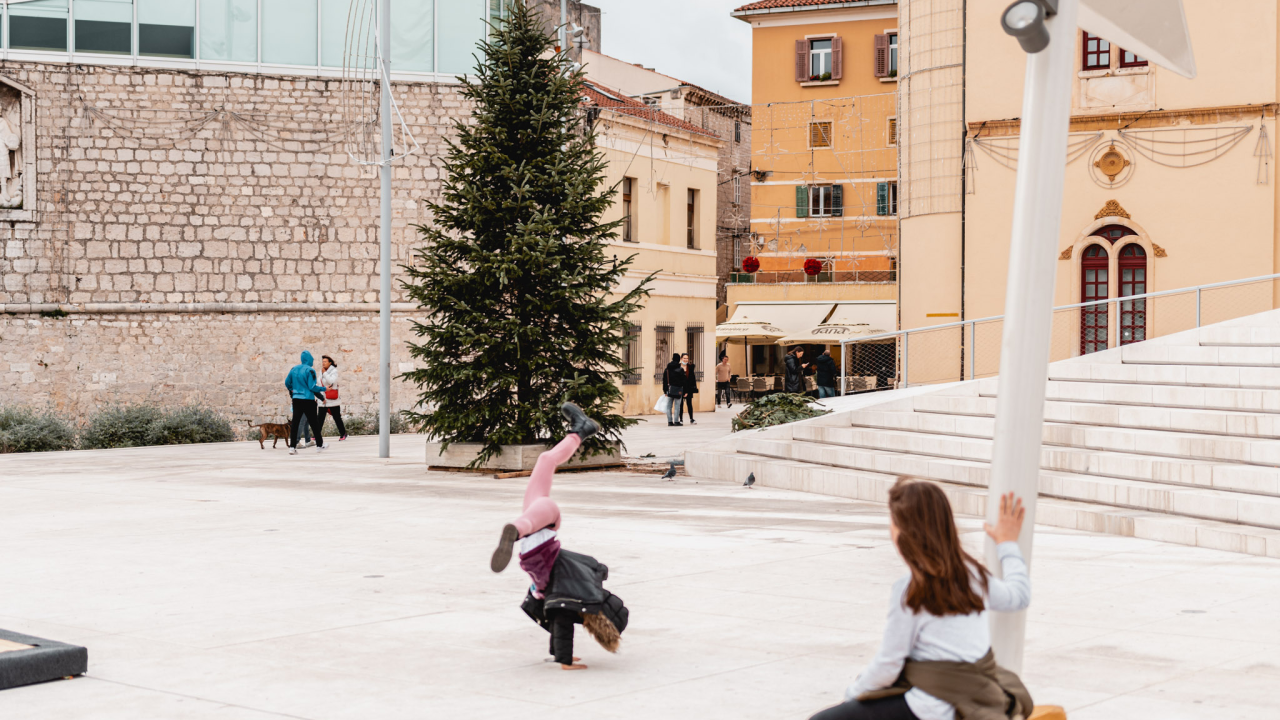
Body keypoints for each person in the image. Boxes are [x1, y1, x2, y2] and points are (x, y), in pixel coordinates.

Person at [809, 479, 1033, 720]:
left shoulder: (910, 591)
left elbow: (888, 666)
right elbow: (1018, 596)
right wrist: (1007, 543)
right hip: (976, 700)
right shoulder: (972, 575)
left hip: (929, 709)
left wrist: (852, 694)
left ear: (902, 533)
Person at [490, 403, 629, 670]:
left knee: (548, 508)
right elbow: (558, 624)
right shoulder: (572, 590)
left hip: (537, 544)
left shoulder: (570, 596)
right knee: (546, 461)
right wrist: (558, 654)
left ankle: (516, 530)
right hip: (538, 539)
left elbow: (561, 623)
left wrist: (564, 661)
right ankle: (580, 430)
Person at [284, 350, 328, 455]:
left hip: (296, 399)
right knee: (314, 423)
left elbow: (287, 382)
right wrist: (324, 389)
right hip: (308, 400)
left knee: (295, 423)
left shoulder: (294, 369)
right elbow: (312, 387)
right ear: (309, 359)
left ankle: (292, 447)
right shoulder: (310, 371)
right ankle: (319, 445)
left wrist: (292, 389)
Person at [317, 355, 348, 440]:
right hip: (323, 398)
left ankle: (343, 433)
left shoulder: (334, 371)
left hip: (332, 399)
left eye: (325, 362)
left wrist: (325, 373)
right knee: (320, 418)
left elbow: (331, 381)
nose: (323, 363)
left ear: (330, 363)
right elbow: (319, 382)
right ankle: (316, 435)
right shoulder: (322, 371)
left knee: (337, 417)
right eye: (322, 361)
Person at [661, 352, 684, 427]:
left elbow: (664, 380)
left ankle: (670, 421)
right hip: (678, 390)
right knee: (677, 406)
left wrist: (665, 390)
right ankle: (676, 421)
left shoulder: (667, 369)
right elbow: (683, 381)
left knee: (669, 406)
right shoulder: (680, 369)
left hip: (669, 389)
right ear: (678, 360)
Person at [679, 353, 697, 425]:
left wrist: (693, 387)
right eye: (684, 358)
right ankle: (681, 419)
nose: (685, 360)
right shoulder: (678, 367)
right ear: (681, 359)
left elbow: (692, 378)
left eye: (687, 358)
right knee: (680, 404)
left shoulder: (690, 367)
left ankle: (691, 419)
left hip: (689, 388)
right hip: (680, 388)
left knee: (689, 404)